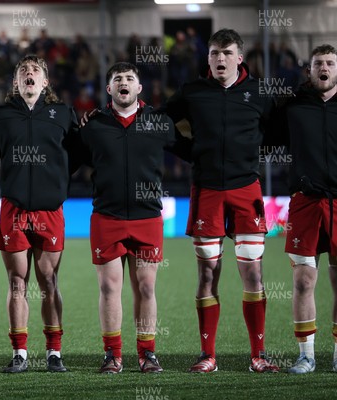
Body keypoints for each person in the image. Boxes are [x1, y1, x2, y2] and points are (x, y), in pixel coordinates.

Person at [160, 28, 279, 373]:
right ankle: (207, 355)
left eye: (226, 53)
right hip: (207, 189)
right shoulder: (193, 93)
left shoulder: (259, 93)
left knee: (253, 273)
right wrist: (190, 151)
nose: (220, 59)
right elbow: (161, 122)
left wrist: (254, 152)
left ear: (240, 57)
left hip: (247, 189)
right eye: (214, 53)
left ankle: (258, 355)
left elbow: (279, 129)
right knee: (208, 271)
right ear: (207, 58)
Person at [81, 62, 189, 374]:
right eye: (117, 79)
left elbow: (191, 151)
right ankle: (112, 355)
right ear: (109, 89)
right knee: (109, 288)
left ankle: (147, 354)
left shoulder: (159, 122)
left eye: (130, 78)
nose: (124, 83)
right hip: (106, 217)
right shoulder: (94, 125)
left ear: (139, 88)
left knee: (146, 286)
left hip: (147, 217)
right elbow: (67, 158)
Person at [0, 54, 79, 373]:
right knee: (16, 281)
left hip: (51, 210)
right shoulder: (1, 116)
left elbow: (78, 151)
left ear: (46, 82)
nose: (29, 74)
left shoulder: (63, 114)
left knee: (49, 280)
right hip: (14, 210)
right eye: (23, 71)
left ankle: (54, 353)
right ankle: (20, 352)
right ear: (16, 82)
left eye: (35, 71)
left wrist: (59, 179)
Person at [277, 44, 337, 374]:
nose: (324, 68)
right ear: (310, 70)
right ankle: (306, 355)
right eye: (318, 64)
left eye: (329, 63)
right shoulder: (294, 106)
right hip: (305, 202)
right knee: (302, 281)